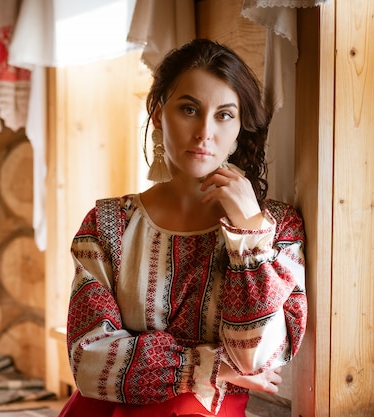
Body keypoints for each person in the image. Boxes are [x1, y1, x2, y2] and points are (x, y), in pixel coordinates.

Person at [58, 38, 307, 417]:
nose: (204, 132)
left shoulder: (278, 228)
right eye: (189, 109)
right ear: (158, 114)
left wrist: (248, 234)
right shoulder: (107, 224)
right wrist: (212, 366)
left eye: (224, 115)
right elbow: (88, 359)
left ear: (241, 127)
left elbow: (255, 356)